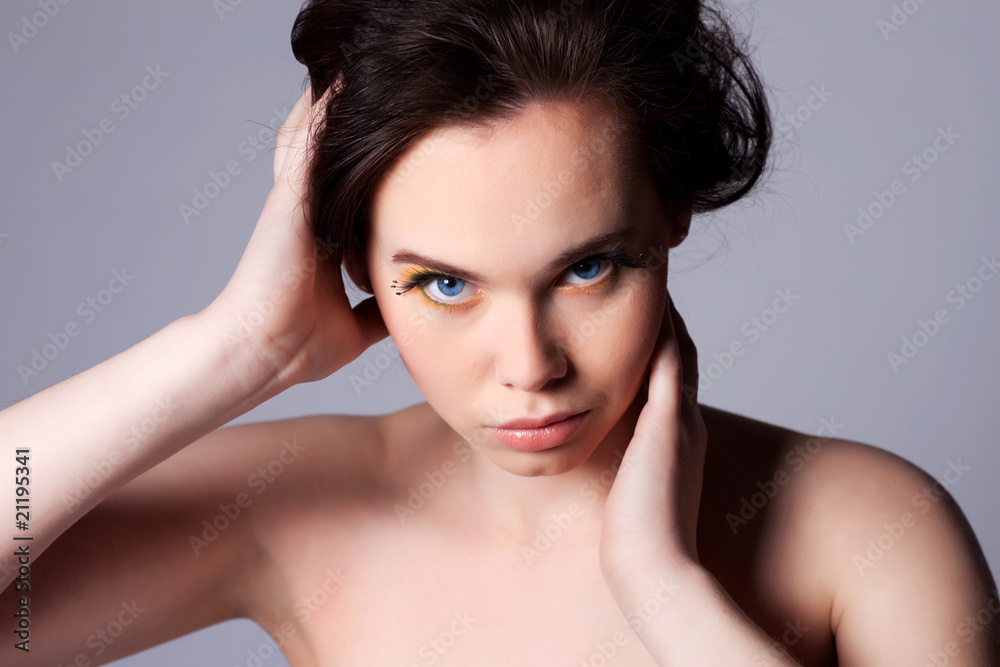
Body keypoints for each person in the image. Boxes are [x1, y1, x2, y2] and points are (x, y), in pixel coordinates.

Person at [2, 0, 998, 665]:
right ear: (356, 266)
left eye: (587, 267)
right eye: (443, 284)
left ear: (671, 215)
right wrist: (232, 349)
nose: (529, 367)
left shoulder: (868, 527)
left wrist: (664, 587)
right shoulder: (285, 505)